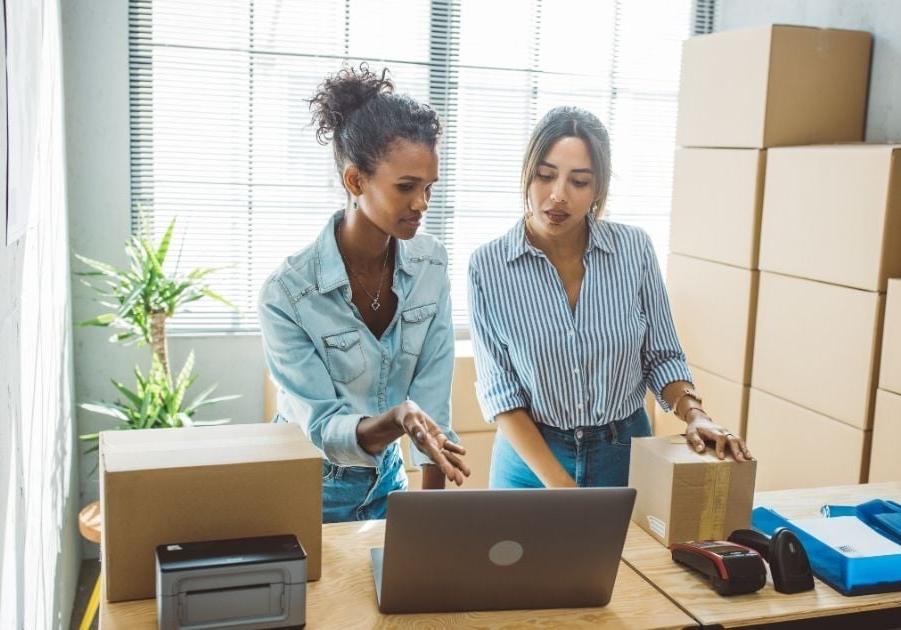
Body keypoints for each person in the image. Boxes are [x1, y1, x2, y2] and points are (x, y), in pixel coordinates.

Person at [467, 105, 753, 489]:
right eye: (545, 176)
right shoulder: (487, 266)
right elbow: (500, 392)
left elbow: (662, 355)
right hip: (531, 462)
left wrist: (694, 414)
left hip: (623, 453)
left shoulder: (634, 249)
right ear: (527, 174)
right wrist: (561, 485)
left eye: (579, 182)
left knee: (627, 552)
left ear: (599, 187)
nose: (558, 195)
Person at [259, 64, 471, 523]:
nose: (422, 204)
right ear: (355, 181)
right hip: (306, 484)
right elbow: (322, 428)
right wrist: (398, 420)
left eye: (429, 187)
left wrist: (431, 525)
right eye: (406, 187)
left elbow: (433, 410)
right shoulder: (288, 294)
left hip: (387, 481)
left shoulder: (431, 264)